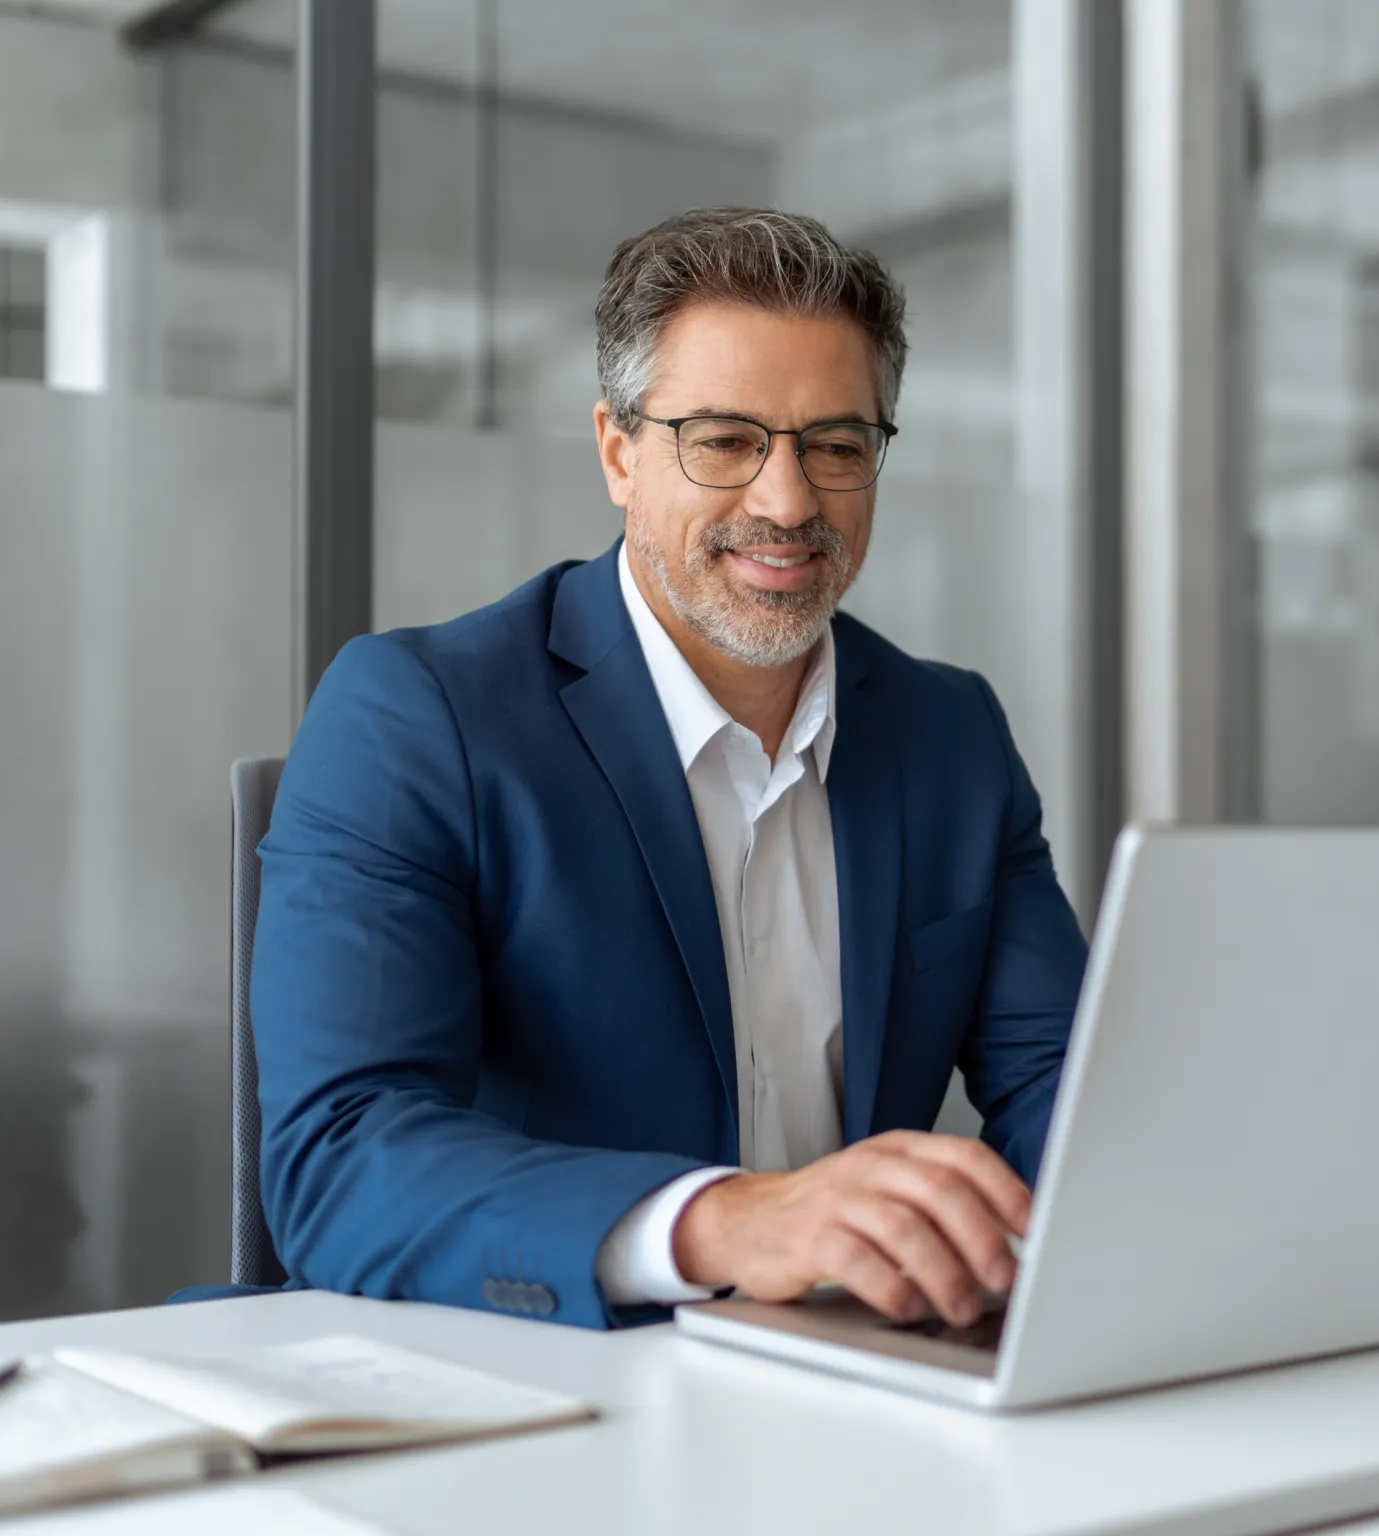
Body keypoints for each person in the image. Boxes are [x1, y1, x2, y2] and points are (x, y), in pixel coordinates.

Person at [249, 207, 1086, 1330]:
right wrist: (728, 1221)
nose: (788, 503)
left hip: (850, 1372)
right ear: (617, 452)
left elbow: (1069, 1099)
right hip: (532, 1380)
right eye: (725, 440)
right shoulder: (417, 715)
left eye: (836, 445)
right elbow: (340, 1155)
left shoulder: (953, 736)